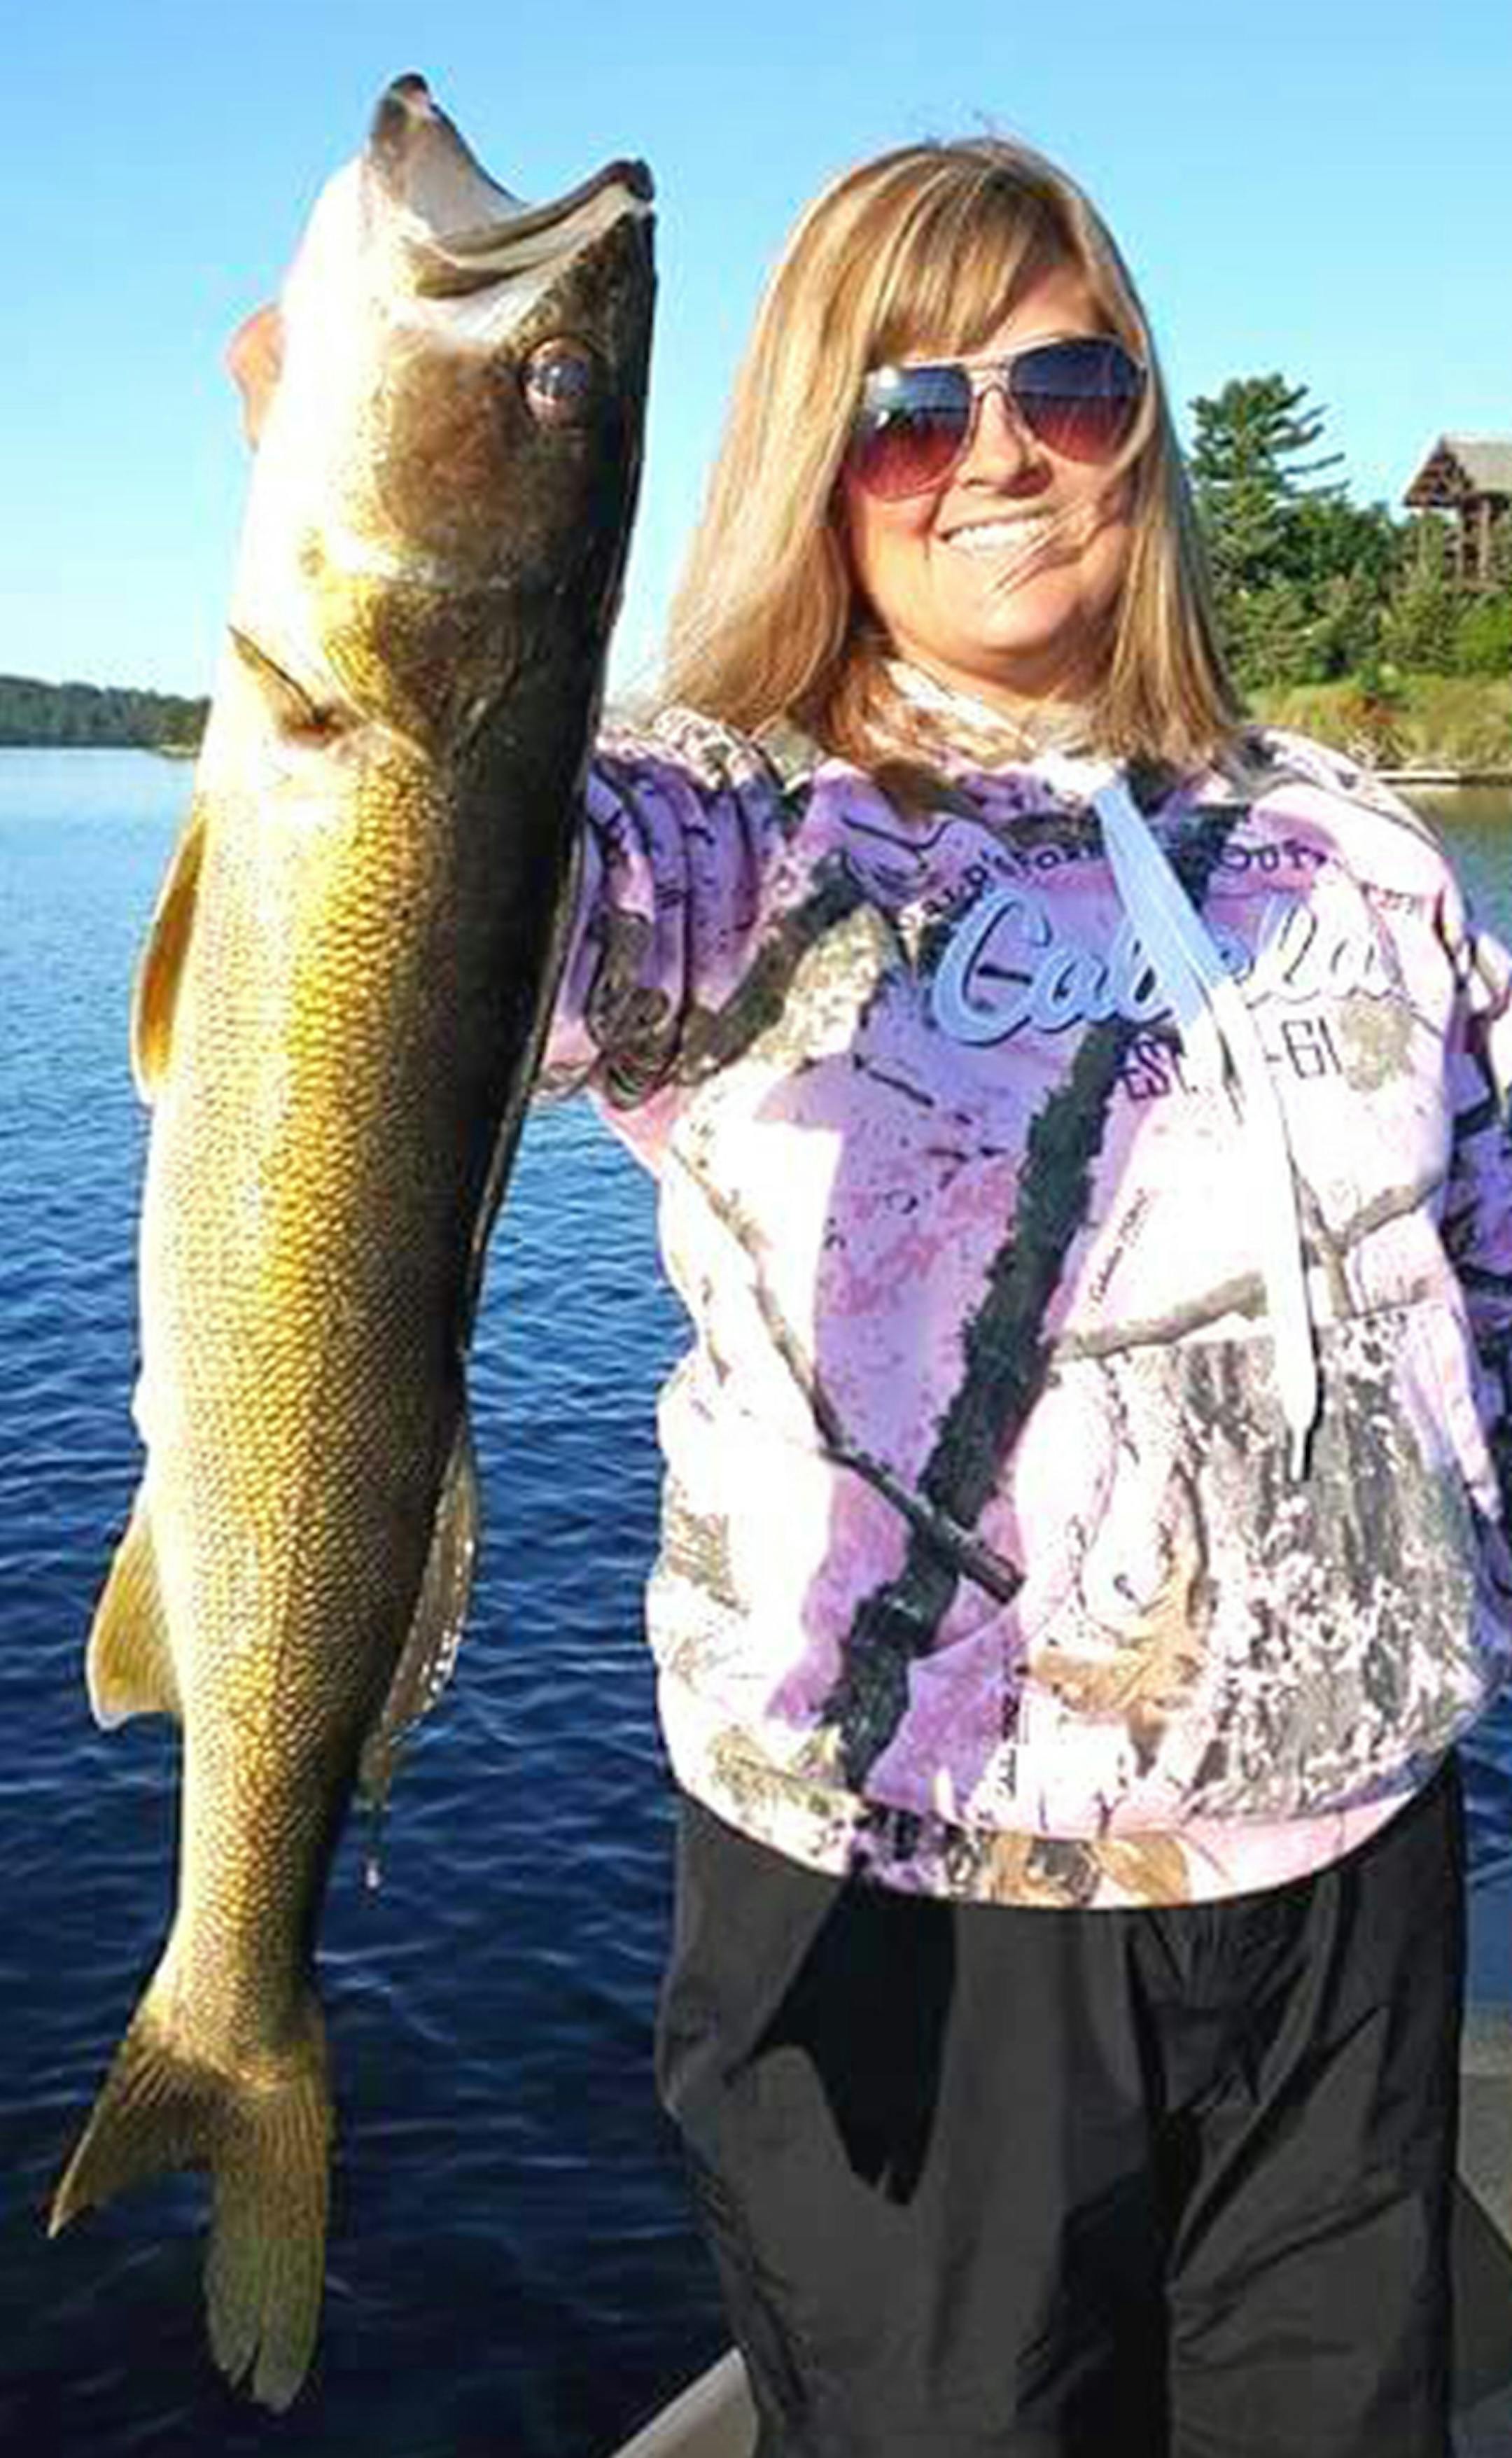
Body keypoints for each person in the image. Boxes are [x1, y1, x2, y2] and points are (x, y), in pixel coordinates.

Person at [232, 131, 1512, 2458]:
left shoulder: (1356, 844)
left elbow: (1496, 1289)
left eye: (1071, 382)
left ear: (1148, 418)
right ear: (813, 467)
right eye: (913, 411)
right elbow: (430, 892)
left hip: (1353, 1882)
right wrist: (382, 496)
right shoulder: (714, 839)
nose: (1000, 453)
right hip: (913, 1921)